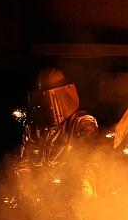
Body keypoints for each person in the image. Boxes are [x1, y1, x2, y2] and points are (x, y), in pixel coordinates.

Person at [14, 67, 99, 204]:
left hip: (73, 201)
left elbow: (89, 154)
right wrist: (27, 190)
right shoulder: (33, 128)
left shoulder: (81, 122)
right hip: (42, 202)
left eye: (50, 97)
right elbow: (23, 162)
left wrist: (81, 190)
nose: (48, 104)